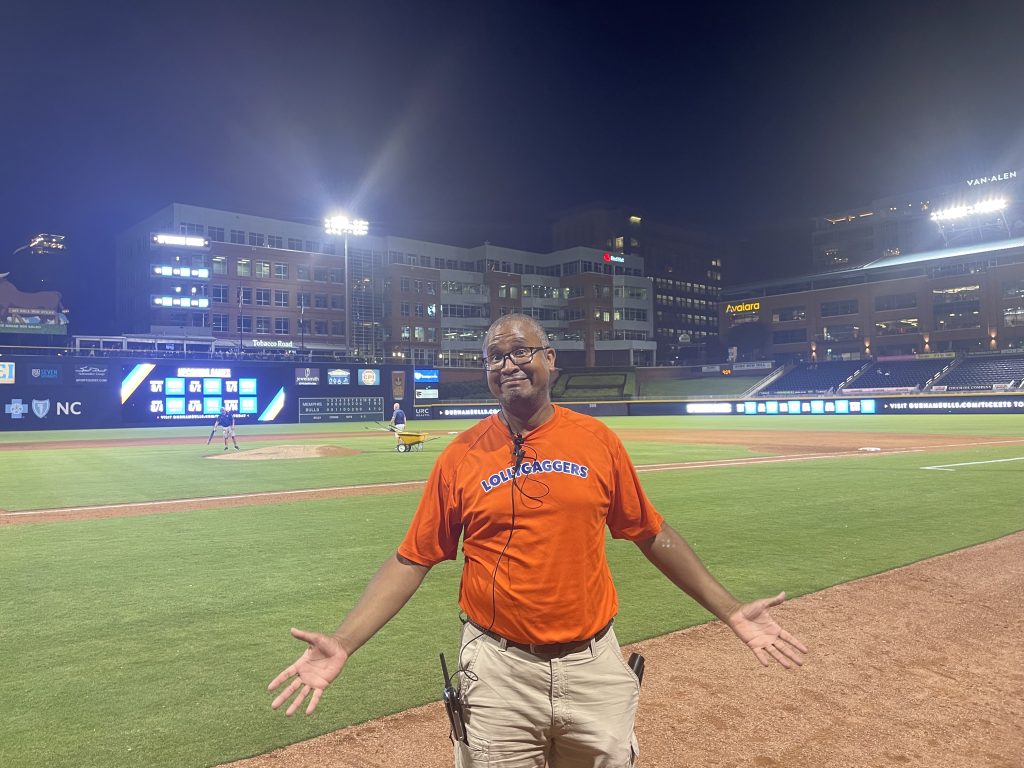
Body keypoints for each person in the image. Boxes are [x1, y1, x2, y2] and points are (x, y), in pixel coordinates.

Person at [269, 313, 807, 767]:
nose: (508, 364)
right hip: (499, 669)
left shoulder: (597, 441)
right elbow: (413, 557)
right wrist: (344, 641)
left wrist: (732, 611)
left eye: (521, 351)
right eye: (494, 357)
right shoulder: (461, 456)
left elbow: (651, 532)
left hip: (593, 663)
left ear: (551, 359)